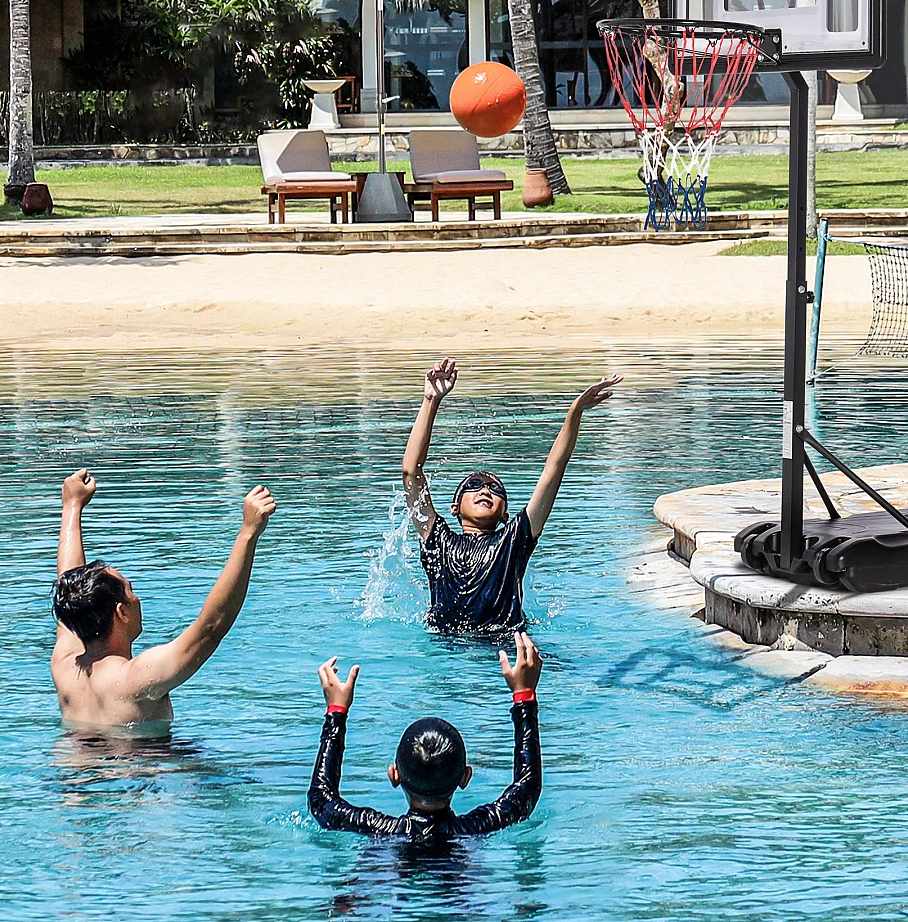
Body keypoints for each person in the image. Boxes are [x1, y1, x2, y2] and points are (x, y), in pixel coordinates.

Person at [401, 357, 622, 632]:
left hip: (503, 645)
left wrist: (574, 412)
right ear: (455, 507)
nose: (485, 490)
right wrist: (430, 401)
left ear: (505, 513)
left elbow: (553, 470)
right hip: (444, 647)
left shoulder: (515, 538)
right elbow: (411, 472)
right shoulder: (437, 541)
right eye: (474, 485)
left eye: (495, 489)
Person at [50, 469, 277, 729]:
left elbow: (71, 590)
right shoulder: (135, 680)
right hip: (141, 766)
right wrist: (248, 533)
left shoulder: (66, 667)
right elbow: (211, 628)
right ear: (121, 612)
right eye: (130, 590)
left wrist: (72, 506)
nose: (137, 599)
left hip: (73, 765)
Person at [308, 631, 544, 842]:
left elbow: (321, 798)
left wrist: (336, 713)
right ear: (465, 777)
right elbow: (527, 786)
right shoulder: (475, 828)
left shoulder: (377, 829)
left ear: (394, 775)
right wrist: (524, 697)